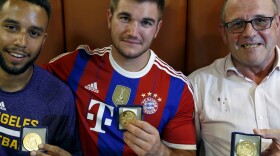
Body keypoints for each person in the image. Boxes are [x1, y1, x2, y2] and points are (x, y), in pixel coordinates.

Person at [42, 0, 196, 155]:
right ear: (109, 19)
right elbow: (27, 80)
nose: (133, 32)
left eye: (146, 22)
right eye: (125, 18)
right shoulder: (76, 63)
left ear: (157, 28)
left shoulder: (178, 88)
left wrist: (161, 152)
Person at [188, 0, 280, 155]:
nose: (249, 33)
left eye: (260, 21)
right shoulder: (197, 85)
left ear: (277, 24)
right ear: (224, 33)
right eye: (237, 23)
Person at [0, 0, 81, 155]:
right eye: (11, 27)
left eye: (34, 33)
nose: (21, 42)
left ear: (43, 41)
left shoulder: (59, 98)